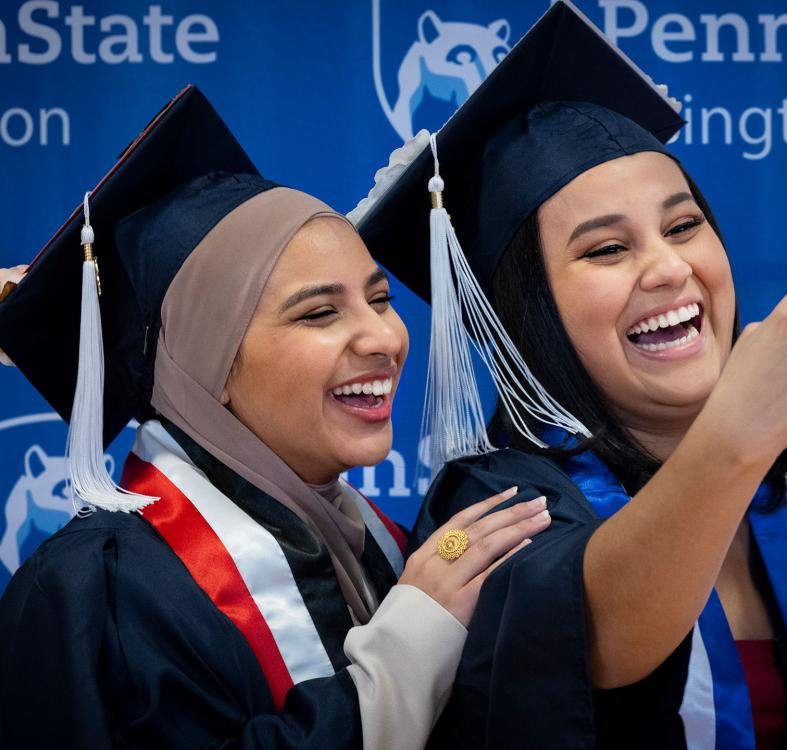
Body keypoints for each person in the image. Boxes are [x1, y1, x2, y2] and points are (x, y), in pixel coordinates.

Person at [356, 3, 787, 748]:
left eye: (684, 225)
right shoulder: (498, 505)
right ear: (525, 310)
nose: (670, 268)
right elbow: (593, 634)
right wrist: (743, 427)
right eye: (605, 250)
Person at [0, 86, 550, 749]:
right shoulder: (94, 599)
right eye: (319, 313)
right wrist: (400, 661)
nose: (383, 338)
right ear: (207, 367)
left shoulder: (390, 547)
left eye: (380, 298)